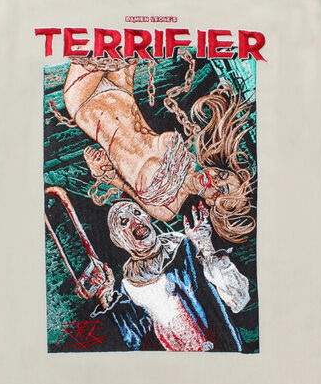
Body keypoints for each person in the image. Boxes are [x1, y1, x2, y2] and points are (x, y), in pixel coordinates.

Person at [54, 52, 256, 244]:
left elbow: (117, 181)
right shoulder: (188, 156)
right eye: (222, 174)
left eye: (221, 190)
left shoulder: (167, 210)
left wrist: (98, 168)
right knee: (126, 37)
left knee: (94, 44)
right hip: (121, 90)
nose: (215, 180)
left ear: (212, 203)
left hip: (85, 103)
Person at [85, 199, 250, 352]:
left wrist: (206, 247)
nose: (136, 221)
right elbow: (135, 341)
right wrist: (106, 301)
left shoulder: (184, 247)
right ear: (117, 240)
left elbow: (239, 299)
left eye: (137, 213)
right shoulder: (127, 285)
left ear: (147, 217)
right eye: (124, 221)